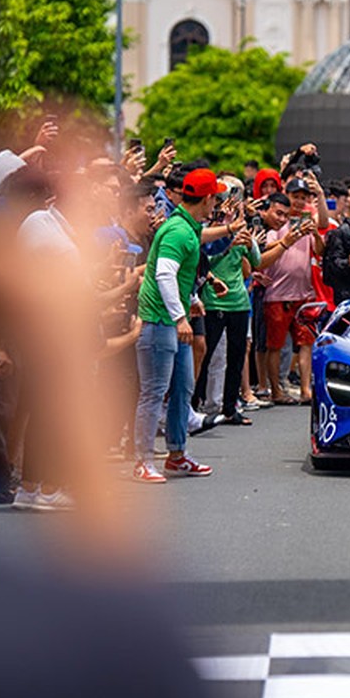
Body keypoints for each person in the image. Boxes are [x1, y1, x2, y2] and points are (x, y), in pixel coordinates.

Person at [132, 168, 224, 483]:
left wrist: (191, 301)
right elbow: (164, 274)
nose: (217, 203)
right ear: (208, 197)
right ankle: (143, 461)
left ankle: (177, 454)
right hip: (160, 322)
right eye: (216, 197)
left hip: (170, 320)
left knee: (182, 389)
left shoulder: (186, 226)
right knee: (154, 392)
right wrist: (180, 316)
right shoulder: (178, 231)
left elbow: (175, 276)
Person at [257, 183, 323, 405]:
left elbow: (320, 251)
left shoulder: (307, 224)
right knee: (275, 345)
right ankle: (275, 389)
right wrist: (288, 238)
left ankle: (306, 390)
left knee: (306, 342)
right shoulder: (275, 225)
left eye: (304, 197)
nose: (299, 201)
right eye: (296, 196)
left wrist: (314, 233)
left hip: (304, 294)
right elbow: (262, 253)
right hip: (277, 295)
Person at [193, 221, 260, 424]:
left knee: (237, 356)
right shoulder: (210, 235)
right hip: (214, 302)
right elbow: (205, 264)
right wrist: (227, 245)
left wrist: (250, 245)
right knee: (205, 354)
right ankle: (195, 404)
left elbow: (256, 261)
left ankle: (230, 408)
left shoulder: (242, 233)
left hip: (239, 302)